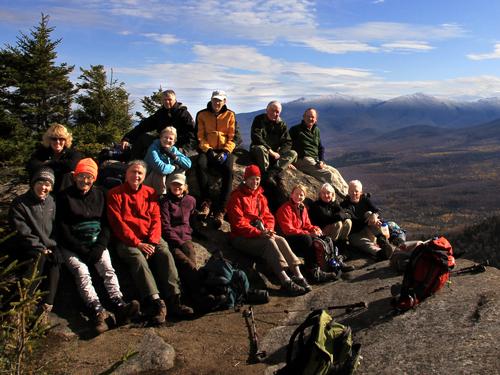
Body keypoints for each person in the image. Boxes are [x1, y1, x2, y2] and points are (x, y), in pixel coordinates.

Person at [57, 158, 140, 334]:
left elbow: (107, 224)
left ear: (94, 178)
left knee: (107, 268)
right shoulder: (64, 197)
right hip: (72, 245)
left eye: (89, 177)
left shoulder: (101, 194)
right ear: (75, 176)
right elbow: (62, 229)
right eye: (81, 176)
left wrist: (100, 245)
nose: (85, 181)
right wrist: (81, 249)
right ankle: (96, 310)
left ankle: (119, 303)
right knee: (81, 272)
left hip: (96, 242)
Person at [107, 160, 194, 325]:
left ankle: (174, 298)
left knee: (164, 252)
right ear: (126, 174)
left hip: (150, 238)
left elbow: (156, 219)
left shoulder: (150, 193)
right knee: (137, 258)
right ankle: (156, 302)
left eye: (140, 173)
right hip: (128, 240)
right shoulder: (115, 194)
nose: (136, 175)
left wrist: (153, 242)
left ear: (144, 176)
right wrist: (138, 244)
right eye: (133, 172)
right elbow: (118, 225)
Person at [226, 165, 310, 296]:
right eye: (252, 179)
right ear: (245, 179)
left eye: (258, 179)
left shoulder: (260, 197)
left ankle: (299, 276)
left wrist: (268, 229)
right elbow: (238, 224)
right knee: (269, 243)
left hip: (260, 233)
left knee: (280, 239)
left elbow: (268, 216)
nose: (255, 182)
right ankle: (286, 281)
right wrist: (259, 233)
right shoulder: (236, 198)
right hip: (240, 237)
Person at [8, 167, 60, 320]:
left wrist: (55, 247)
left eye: (48, 184)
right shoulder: (20, 203)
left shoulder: (52, 202)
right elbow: (21, 231)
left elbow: (56, 226)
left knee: (56, 262)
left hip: (48, 245)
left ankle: (46, 306)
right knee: (40, 258)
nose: (44, 187)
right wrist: (40, 247)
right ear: (33, 183)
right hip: (27, 246)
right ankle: (22, 304)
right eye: (40, 183)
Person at [276, 184, 339, 283]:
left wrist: (315, 229)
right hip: (287, 240)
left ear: (304, 197)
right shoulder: (285, 209)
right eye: (296, 194)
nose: (298, 196)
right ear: (291, 195)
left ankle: (331, 263)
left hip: (300, 235)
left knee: (325, 238)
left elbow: (307, 224)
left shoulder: (302, 207)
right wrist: (308, 233)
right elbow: (288, 230)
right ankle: (313, 271)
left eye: (301, 195)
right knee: (307, 239)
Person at [195, 90, 236, 228]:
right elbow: (200, 136)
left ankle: (221, 210)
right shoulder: (202, 114)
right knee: (200, 165)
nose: (217, 103)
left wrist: (225, 151)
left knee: (228, 170)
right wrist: (208, 150)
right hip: (208, 149)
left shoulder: (230, 115)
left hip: (224, 149)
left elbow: (233, 136)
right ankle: (206, 203)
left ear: (225, 101)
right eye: (215, 100)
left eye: (220, 100)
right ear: (211, 100)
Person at [289, 108, 348, 197]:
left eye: (312, 117)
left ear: (316, 119)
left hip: (314, 160)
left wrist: (321, 160)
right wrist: (289, 161)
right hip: (302, 159)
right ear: (304, 117)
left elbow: (320, 148)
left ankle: (348, 192)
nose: (310, 119)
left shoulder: (316, 130)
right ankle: (342, 195)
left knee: (334, 171)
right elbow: (286, 144)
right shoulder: (295, 130)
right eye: (308, 116)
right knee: (328, 174)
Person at [121, 89, 196, 158]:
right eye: (165, 100)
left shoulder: (183, 114)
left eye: (169, 99)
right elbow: (143, 126)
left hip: (177, 146)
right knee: (143, 139)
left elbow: (191, 133)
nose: (167, 102)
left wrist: (184, 149)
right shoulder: (160, 114)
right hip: (161, 142)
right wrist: (127, 138)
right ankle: (133, 165)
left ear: (175, 100)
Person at [159, 173, 199, 301]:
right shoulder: (165, 202)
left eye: (179, 184)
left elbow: (192, 219)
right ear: (169, 185)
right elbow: (165, 227)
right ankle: (196, 291)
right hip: (171, 239)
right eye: (174, 184)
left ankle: (194, 294)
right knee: (185, 262)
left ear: (185, 186)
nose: (177, 187)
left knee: (190, 255)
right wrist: (179, 241)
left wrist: (194, 232)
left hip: (186, 237)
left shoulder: (190, 200)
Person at [340, 180, 394, 260]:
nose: (354, 193)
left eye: (356, 191)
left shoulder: (364, 200)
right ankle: (380, 253)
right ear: (348, 191)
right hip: (355, 234)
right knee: (363, 242)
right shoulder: (344, 205)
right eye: (351, 191)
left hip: (369, 230)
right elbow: (354, 220)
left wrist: (374, 215)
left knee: (369, 213)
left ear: (361, 192)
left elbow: (377, 210)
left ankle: (382, 241)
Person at [250, 101, 297, 184]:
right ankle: (264, 173)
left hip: (275, 155)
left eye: (277, 112)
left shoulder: (281, 124)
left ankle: (271, 173)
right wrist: (270, 151)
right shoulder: (259, 119)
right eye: (272, 110)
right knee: (260, 148)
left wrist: (280, 154)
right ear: (266, 110)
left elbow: (288, 142)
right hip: (261, 152)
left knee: (293, 153)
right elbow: (256, 137)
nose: (274, 113)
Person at [27, 123, 82, 193]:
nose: (58, 141)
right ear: (49, 140)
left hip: (65, 192)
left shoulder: (73, 153)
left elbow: (72, 165)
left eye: (61, 138)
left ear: (65, 140)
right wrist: (60, 167)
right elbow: (31, 165)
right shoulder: (41, 152)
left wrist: (50, 163)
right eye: (54, 139)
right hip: (45, 191)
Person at [144, 126, 192, 195]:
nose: (167, 140)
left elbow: (188, 164)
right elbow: (161, 169)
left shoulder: (173, 149)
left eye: (171, 139)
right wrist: (174, 167)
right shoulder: (153, 148)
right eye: (165, 137)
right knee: (160, 173)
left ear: (174, 142)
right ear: (160, 138)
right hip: (148, 180)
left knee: (182, 169)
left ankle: (175, 193)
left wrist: (174, 157)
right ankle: (161, 196)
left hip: (166, 180)